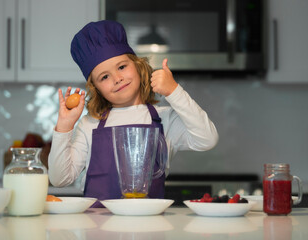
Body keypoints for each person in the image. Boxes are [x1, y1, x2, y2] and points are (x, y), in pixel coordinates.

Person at [48, 20, 218, 206]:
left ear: (137, 65)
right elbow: (60, 179)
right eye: (104, 77)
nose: (117, 78)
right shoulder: (89, 124)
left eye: (122, 67)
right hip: (97, 229)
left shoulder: (165, 119)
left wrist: (174, 91)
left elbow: (207, 139)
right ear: (96, 88)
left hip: (149, 227)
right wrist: (64, 127)